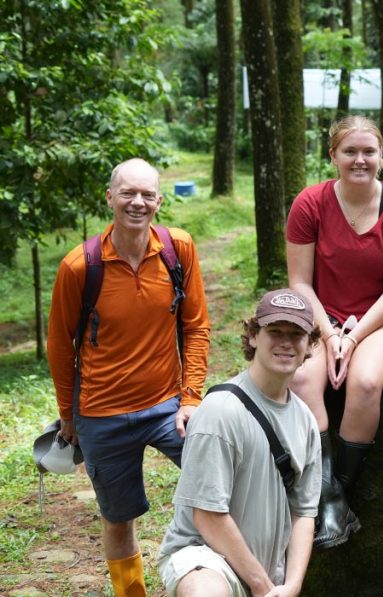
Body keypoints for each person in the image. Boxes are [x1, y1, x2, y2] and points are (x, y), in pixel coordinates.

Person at [46, 158, 210, 597]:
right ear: (110, 198)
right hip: (101, 414)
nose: (137, 203)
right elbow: (61, 348)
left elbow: (195, 327)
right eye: (127, 193)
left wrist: (191, 397)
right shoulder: (79, 267)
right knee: (118, 518)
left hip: (169, 406)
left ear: (159, 199)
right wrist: (68, 416)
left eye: (147, 195)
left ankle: (220, 578)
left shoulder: (179, 249)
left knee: (220, 486)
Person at [286, 115, 383, 549]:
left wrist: (354, 336)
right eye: (350, 151)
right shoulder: (309, 203)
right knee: (306, 379)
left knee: (364, 381)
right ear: (333, 157)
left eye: (369, 151)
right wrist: (329, 335)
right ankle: (329, 498)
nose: (359, 160)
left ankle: (336, 493)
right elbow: (300, 282)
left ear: (382, 157)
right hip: (322, 315)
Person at [158, 289, 321, 597]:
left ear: (310, 344)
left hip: (265, 568)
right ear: (254, 336)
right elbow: (207, 515)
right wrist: (260, 585)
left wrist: (293, 585)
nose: (286, 341)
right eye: (275, 331)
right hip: (207, 558)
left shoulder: (306, 421)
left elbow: (304, 512)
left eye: (296, 334)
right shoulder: (220, 411)